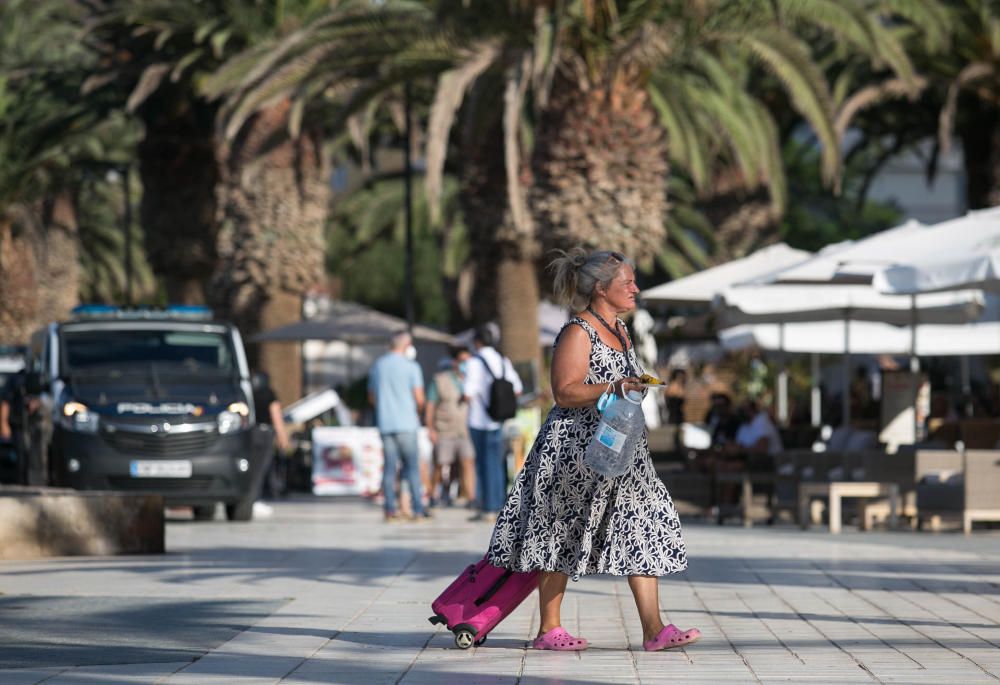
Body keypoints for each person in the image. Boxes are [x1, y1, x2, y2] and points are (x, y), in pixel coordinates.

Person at [486, 248, 699, 653]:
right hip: (573, 453)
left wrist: (633, 384)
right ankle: (550, 629)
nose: (636, 288)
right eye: (627, 283)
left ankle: (654, 629)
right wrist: (614, 386)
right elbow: (564, 393)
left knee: (642, 525)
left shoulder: (620, 329)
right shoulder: (577, 331)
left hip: (620, 450)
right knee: (558, 531)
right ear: (601, 289)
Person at [463, 325, 523, 522]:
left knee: (483, 463)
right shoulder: (502, 360)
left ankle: (487, 508)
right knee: (496, 463)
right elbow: (517, 388)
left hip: (479, 420)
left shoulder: (474, 362)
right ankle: (498, 506)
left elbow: (468, 393)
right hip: (498, 420)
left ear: (477, 342)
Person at [368, 330, 428, 522]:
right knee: (412, 468)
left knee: (389, 468)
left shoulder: (379, 365)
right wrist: (418, 411)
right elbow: (419, 398)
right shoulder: (411, 367)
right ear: (406, 345)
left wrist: (384, 408)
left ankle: (390, 510)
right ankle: (418, 509)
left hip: (386, 423)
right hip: (407, 423)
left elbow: (372, 396)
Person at [425, 346, 476, 507]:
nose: (465, 365)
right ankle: (433, 494)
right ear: (454, 362)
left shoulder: (473, 380)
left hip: (465, 430)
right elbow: (430, 405)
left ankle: (470, 497)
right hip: (444, 429)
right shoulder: (440, 380)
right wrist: (430, 428)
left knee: (468, 462)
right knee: (440, 464)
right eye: (462, 361)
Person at [251, 371, 290, 518]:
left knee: (252, 467)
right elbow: (276, 415)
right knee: (261, 468)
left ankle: (250, 498)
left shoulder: (247, 393)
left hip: (250, 432)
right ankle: (255, 499)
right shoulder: (268, 393)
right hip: (265, 433)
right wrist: (282, 436)